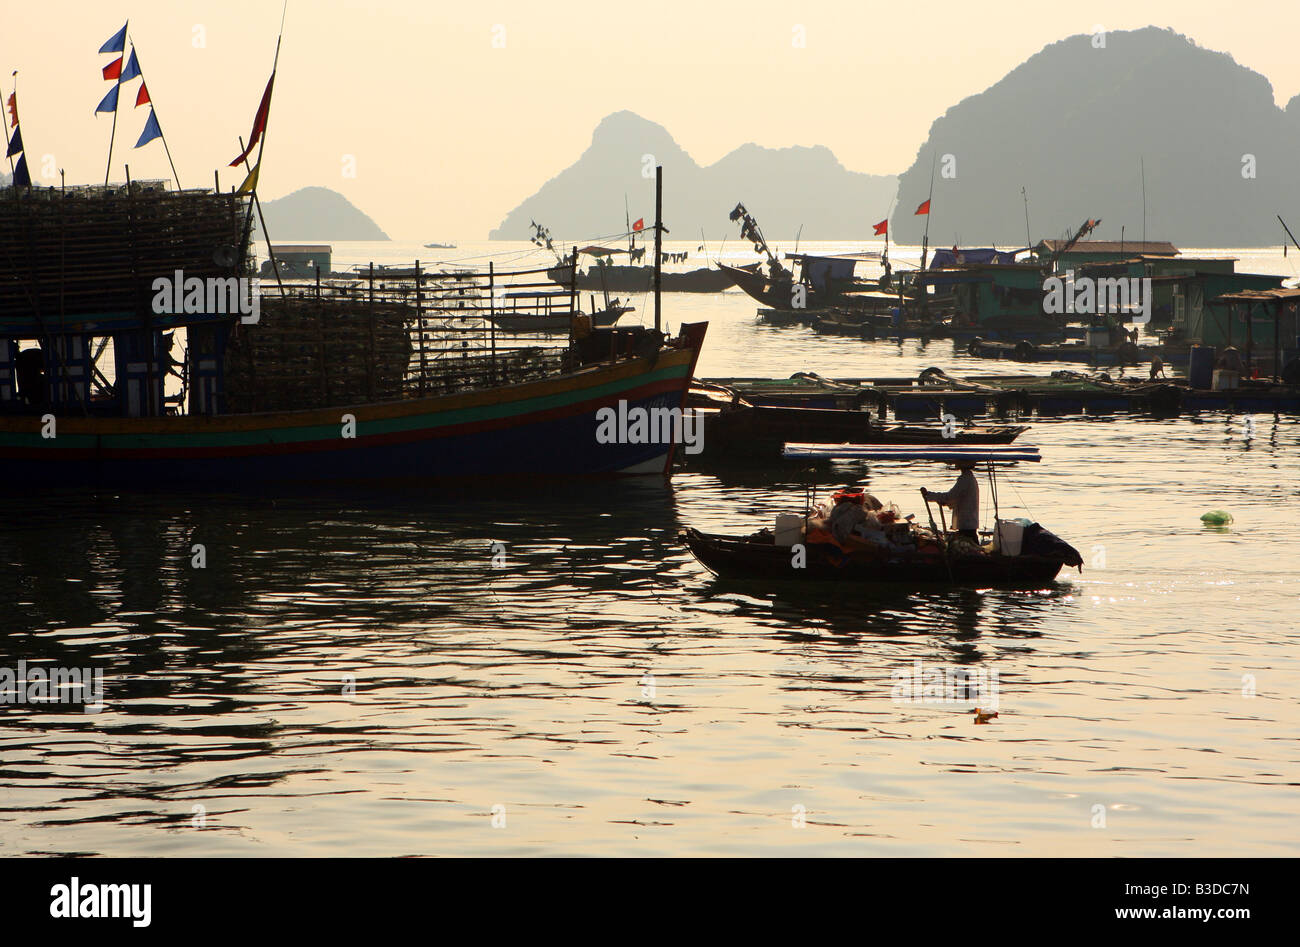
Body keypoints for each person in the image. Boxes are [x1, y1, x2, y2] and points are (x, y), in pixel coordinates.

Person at [922, 462, 980, 541]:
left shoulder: (965, 479)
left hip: (967, 524)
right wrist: (944, 501)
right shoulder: (969, 478)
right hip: (969, 523)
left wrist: (929, 495)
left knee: (968, 542)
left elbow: (950, 497)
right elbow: (955, 498)